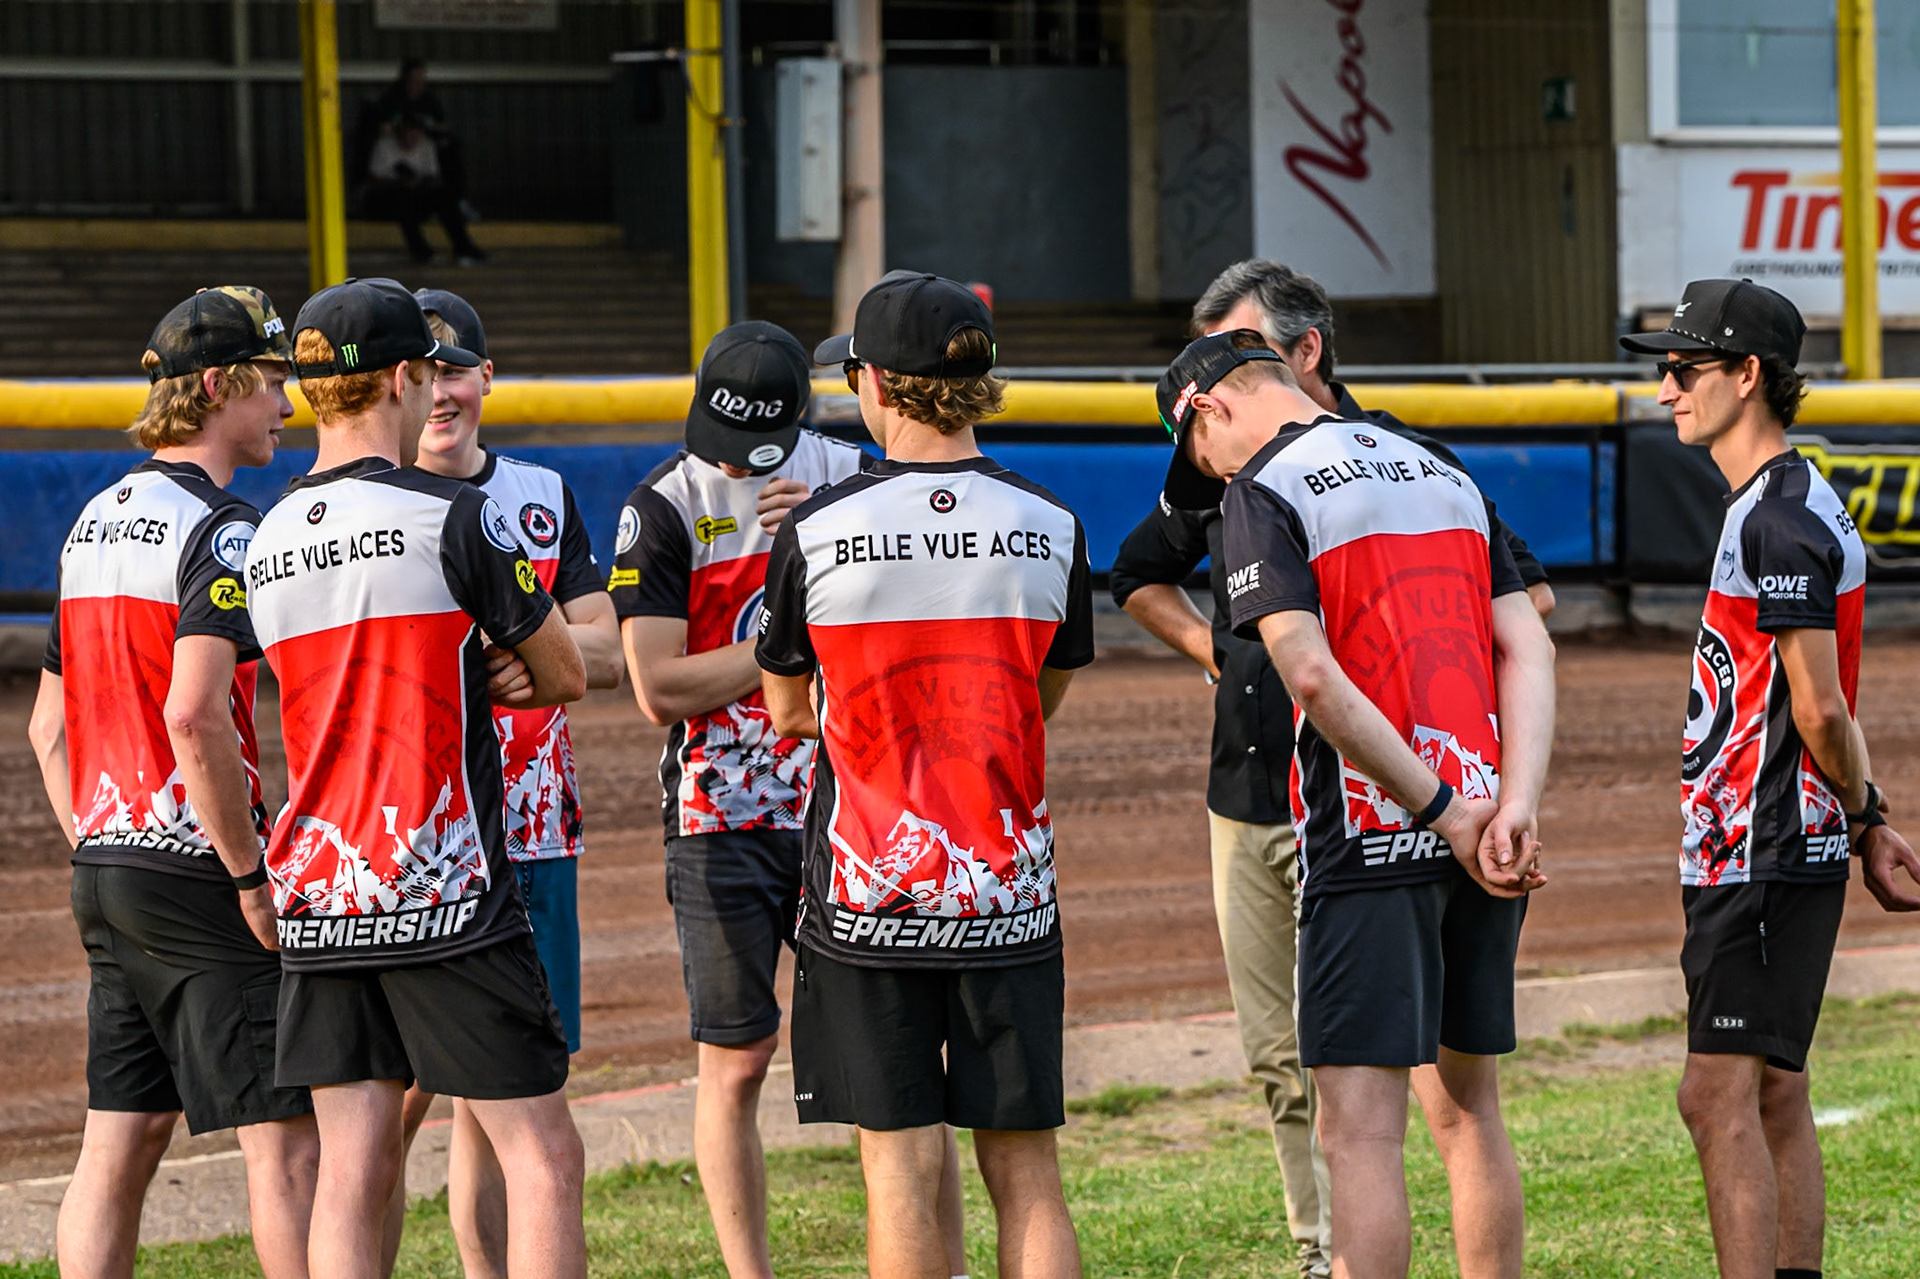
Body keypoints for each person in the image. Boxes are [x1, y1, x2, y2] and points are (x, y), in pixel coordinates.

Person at [1112, 260, 1556, 1279]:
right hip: (1489, 828)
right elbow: (1530, 639)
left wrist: (1439, 807)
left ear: (1213, 407)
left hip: (1371, 833)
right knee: (1472, 1112)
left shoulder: (1265, 488)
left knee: (1358, 1132)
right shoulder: (1434, 462)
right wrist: (1509, 803)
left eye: (1198, 447)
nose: (1209, 470)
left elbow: (1306, 673)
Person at [609, 320, 969, 1277]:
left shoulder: (857, 473)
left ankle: (943, 1259)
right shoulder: (663, 506)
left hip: (854, 812)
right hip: (717, 824)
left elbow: (923, 619)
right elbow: (658, 688)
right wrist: (790, 633)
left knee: (893, 1058)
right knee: (736, 1061)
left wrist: (837, 535)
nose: (738, 466)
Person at [244, 277, 588, 1279]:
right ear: (403, 377)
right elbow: (562, 672)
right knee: (544, 1154)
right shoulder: (462, 515)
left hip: (320, 882)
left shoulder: (265, 540)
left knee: (354, 1161)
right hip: (448, 886)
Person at [757, 271, 1095, 1279]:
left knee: (899, 1173)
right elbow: (1045, 694)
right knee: (1028, 1172)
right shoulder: (1052, 523)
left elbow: (784, 711)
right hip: (1007, 887)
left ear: (873, 384)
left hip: (870, 893)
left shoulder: (814, 531)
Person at [1620, 280, 1920, 1279]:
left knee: (1714, 1097)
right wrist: (1865, 823)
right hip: (1772, 843)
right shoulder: (1775, 504)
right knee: (1776, 1090)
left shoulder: (1777, 521)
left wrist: (1868, 812)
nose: (1665, 388)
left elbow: (1819, 708)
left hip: (1760, 846)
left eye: (1684, 367)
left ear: (1748, 376)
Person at [25, 286, 319, 1279]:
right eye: (273, 383)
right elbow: (194, 714)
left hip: (107, 866)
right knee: (287, 1143)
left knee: (120, 1141)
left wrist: (102, 844)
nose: (288, 406)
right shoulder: (226, 530)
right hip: (201, 873)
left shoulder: (88, 526)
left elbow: (45, 726)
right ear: (216, 386)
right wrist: (246, 873)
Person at [378, 289, 624, 1279]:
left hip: (530, 831)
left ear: (487, 376)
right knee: (388, 1095)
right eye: (424, 371)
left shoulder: (540, 495)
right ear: (398, 380)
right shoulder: (369, 503)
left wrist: (549, 655)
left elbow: (607, 646)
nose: (442, 390)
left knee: (509, 1084)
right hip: (410, 835)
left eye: (458, 369)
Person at [363, 114, 485, 266]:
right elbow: (375, 177)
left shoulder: (426, 145)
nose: (411, 138)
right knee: (403, 200)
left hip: (418, 196)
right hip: (389, 199)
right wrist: (401, 181)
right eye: (407, 132)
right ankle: (421, 252)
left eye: (415, 133)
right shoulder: (384, 145)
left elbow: (433, 176)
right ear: (400, 132)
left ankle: (464, 248)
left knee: (445, 199)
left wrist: (417, 181)